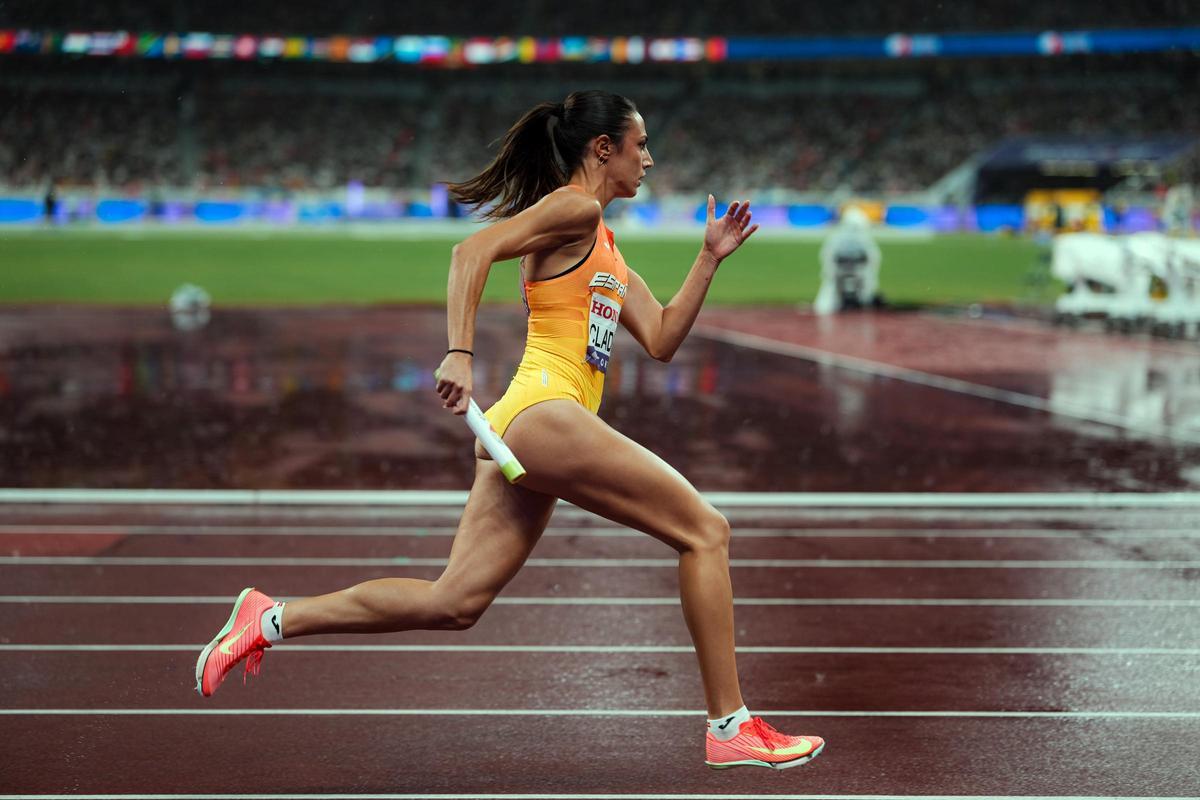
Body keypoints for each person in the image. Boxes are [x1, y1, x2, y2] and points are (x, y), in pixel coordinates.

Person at [195, 90, 824, 771]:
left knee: (454, 601)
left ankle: (270, 616)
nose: (649, 159)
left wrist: (710, 258)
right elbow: (471, 252)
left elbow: (665, 337)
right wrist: (460, 353)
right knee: (706, 531)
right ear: (602, 149)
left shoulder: (604, 243)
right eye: (640, 145)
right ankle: (730, 724)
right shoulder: (574, 208)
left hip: (525, 427)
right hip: (543, 413)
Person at [813, 206, 882, 314]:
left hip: (855, 270)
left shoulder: (840, 236)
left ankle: (863, 301)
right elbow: (874, 257)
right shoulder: (843, 237)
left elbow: (826, 255)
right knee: (831, 290)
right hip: (844, 270)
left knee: (864, 287)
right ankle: (853, 303)